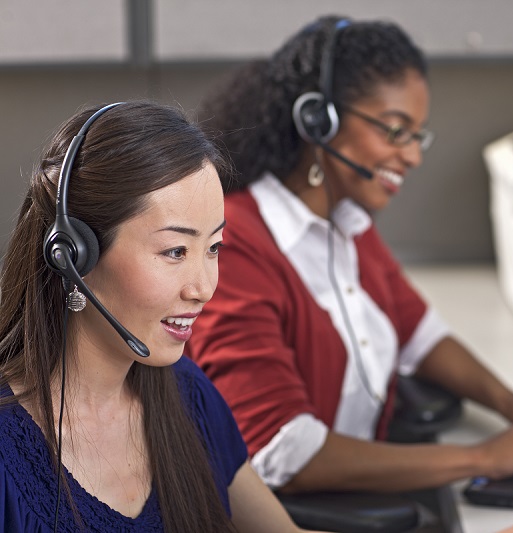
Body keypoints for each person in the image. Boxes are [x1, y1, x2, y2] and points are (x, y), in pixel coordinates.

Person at [188, 14, 513, 504]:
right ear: (319, 121)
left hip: (355, 493)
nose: (411, 156)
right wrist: (485, 457)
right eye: (394, 131)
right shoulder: (236, 246)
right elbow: (284, 451)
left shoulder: (347, 221)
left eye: (416, 136)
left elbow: (418, 333)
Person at [0, 100, 316, 532]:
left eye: (213, 248)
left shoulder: (189, 395)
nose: (203, 288)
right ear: (73, 254)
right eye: (175, 251)